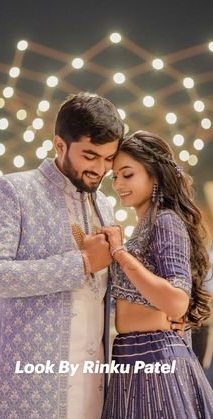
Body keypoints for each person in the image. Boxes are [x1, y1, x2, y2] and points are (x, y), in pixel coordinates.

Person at [0, 92, 124, 419]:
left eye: (108, 158)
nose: (100, 170)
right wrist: (81, 263)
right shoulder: (15, 190)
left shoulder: (105, 206)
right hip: (34, 385)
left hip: (94, 382)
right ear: (60, 145)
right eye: (90, 155)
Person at [101, 131, 213, 418]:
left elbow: (177, 301)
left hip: (156, 357)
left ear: (155, 176)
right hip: (132, 356)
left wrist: (119, 253)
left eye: (127, 175)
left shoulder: (165, 220)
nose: (118, 184)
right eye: (114, 176)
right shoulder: (145, 225)